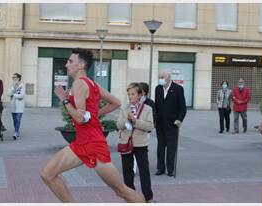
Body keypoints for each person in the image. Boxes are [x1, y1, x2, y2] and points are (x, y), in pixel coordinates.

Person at [40, 48, 145, 203]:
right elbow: (115, 103)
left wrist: (64, 100)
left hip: (94, 145)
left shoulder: (79, 84)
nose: (66, 64)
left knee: (121, 191)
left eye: (70, 61)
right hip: (82, 143)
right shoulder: (92, 84)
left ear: (81, 65)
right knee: (47, 174)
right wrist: (96, 114)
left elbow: (80, 118)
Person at [117, 82, 155, 203]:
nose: (130, 96)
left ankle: (148, 197)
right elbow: (118, 125)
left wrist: (135, 121)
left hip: (140, 144)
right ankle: (130, 197)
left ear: (139, 95)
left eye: (133, 94)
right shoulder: (124, 108)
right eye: (129, 94)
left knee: (144, 171)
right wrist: (126, 122)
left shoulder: (147, 109)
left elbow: (150, 126)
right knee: (127, 171)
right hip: (126, 142)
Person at [154, 70, 187, 177]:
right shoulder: (158, 89)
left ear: (169, 78)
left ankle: (170, 169)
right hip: (160, 124)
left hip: (172, 124)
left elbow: (183, 108)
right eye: (160, 77)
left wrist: (179, 119)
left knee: (171, 148)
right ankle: (160, 168)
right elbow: (156, 106)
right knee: (160, 147)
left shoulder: (178, 89)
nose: (161, 79)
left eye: (162, 77)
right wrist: (154, 120)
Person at [7, 73, 25, 140]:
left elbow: (22, 95)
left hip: (20, 105)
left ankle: (16, 132)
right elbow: (8, 94)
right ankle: (17, 132)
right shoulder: (11, 85)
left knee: (18, 119)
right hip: (13, 105)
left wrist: (14, 95)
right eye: (13, 77)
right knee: (14, 120)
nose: (14, 78)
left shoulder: (22, 85)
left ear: (18, 78)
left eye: (15, 77)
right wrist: (13, 89)